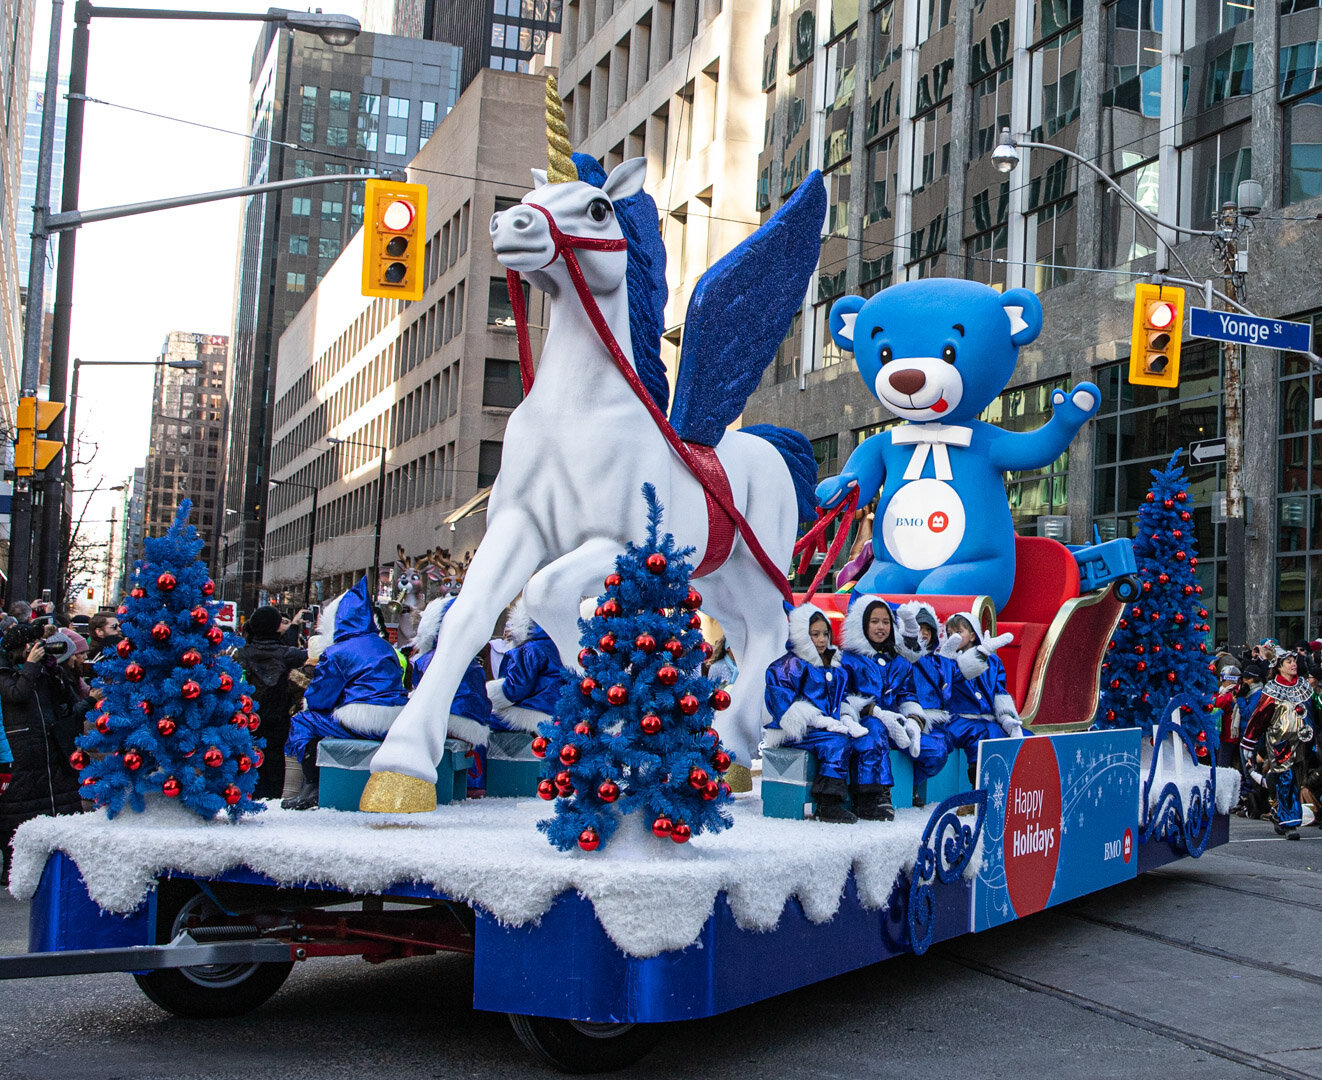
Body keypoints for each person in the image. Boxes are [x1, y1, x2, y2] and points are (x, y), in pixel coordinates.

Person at [281, 579, 408, 810]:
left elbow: (320, 697)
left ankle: (308, 786)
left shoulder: (338, 651)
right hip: (393, 719)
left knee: (302, 722)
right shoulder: (384, 647)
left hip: (357, 719)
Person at [763, 604, 892, 824]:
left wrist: (847, 717)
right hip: (797, 731)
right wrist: (818, 720)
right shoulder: (788, 666)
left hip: (830, 727)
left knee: (865, 738)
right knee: (836, 744)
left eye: (825, 634)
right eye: (815, 635)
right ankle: (828, 803)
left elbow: (840, 699)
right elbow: (783, 705)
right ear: (802, 635)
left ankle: (866, 796)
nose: (822, 640)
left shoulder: (834, 667)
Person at [0, 624, 82, 880]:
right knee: (18, 811)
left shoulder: (43, 670)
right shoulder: (4, 671)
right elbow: (17, 694)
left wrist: (52, 668)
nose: (37, 648)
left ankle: (56, 865)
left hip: (50, 747)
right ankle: (14, 869)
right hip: (21, 751)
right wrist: (32, 666)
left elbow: (67, 699)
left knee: (55, 803)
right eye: (32, 644)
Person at [912, 612, 1020, 787]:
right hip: (958, 720)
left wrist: (1007, 717)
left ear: (972, 634)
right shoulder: (946, 660)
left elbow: (1000, 691)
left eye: (959, 632)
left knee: (1009, 734)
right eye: (949, 633)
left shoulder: (994, 661)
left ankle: (1012, 784)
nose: (953, 637)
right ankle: (979, 787)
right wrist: (946, 663)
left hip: (988, 718)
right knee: (981, 735)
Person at [235, 606, 308, 799]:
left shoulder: (240, 654)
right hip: (279, 718)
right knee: (276, 761)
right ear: (277, 627)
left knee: (247, 758)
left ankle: (249, 794)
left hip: (247, 718)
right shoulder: (291, 655)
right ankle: (273, 798)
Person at [1240, 650, 1313, 839]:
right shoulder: (1272, 689)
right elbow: (1258, 718)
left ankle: (1278, 813)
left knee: (1296, 780)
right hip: (1280, 743)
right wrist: (1249, 743)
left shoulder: (1303, 687)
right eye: (1288, 662)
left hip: (1303, 742)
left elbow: (1312, 714)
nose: (1293, 664)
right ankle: (1290, 823)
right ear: (1280, 667)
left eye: (1294, 661)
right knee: (1285, 779)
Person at [485, 600, 567, 735]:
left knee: (485, 720)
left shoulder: (530, 650)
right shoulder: (556, 645)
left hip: (534, 711)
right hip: (558, 711)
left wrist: (490, 694)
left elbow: (515, 688)